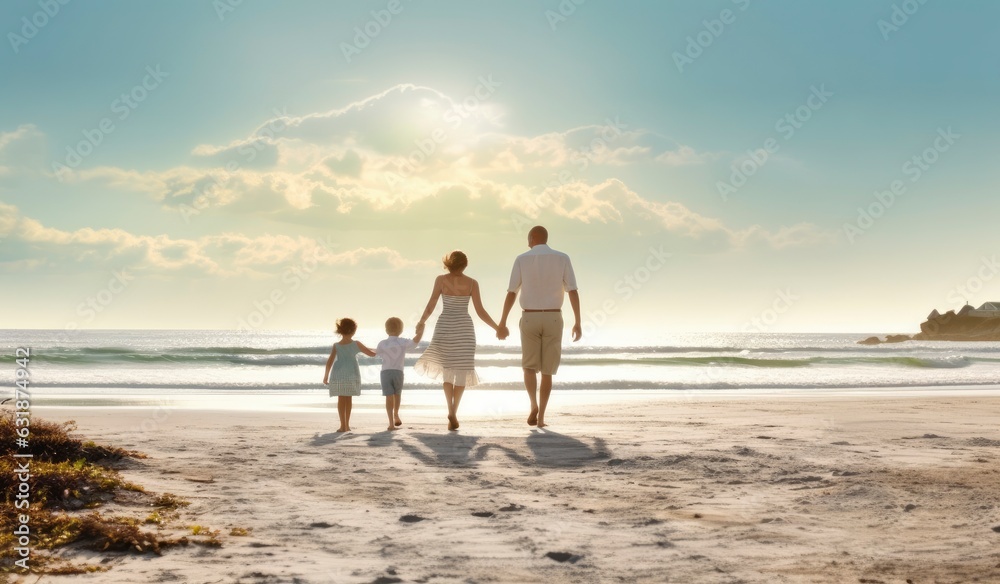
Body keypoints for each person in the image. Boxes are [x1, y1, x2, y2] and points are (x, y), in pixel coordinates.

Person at [497, 226, 581, 428]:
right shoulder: (562, 258)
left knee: (528, 367)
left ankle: (533, 404)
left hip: (530, 317)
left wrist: (502, 322)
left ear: (533, 238)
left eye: (528, 238)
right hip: (553, 317)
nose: (527, 242)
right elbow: (572, 291)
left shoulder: (522, 259)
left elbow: (511, 292)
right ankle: (542, 417)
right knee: (547, 371)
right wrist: (578, 322)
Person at [414, 250, 502, 431]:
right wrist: (497, 327)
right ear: (465, 265)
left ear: (448, 264)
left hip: (445, 327)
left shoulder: (441, 280)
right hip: (464, 330)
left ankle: (450, 410)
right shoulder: (471, 283)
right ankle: (454, 411)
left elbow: (431, 303)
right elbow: (480, 311)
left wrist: (421, 321)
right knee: (461, 371)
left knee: (447, 370)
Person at [322, 318, 376, 432]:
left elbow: (330, 361)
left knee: (341, 398)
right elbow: (371, 354)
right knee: (348, 398)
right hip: (351, 373)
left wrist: (325, 376)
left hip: (338, 373)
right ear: (353, 331)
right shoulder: (356, 344)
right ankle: (347, 425)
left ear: (340, 331)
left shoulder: (336, 345)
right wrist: (383, 350)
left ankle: (342, 426)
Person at [375, 317, 425, 431]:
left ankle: (391, 423)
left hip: (385, 372)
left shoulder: (382, 343)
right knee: (397, 395)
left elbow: (377, 353)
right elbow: (415, 341)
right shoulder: (403, 342)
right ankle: (396, 414)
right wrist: (421, 330)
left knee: (388, 397)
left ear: (386, 330)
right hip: (398, 372)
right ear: (401, 330)